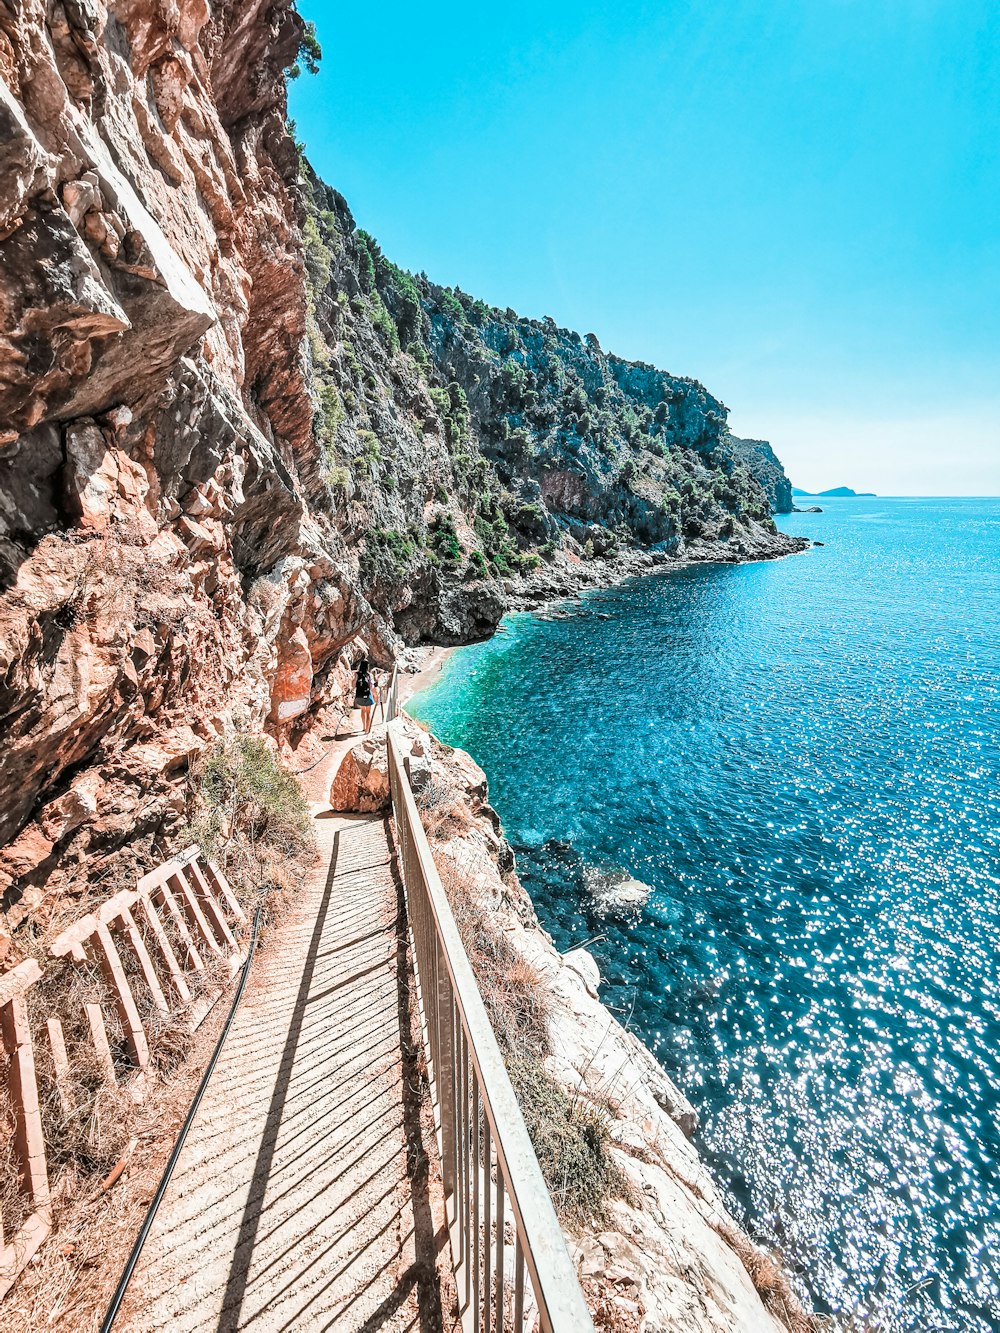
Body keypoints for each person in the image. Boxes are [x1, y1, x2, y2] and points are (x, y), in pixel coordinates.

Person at [354, 658, 375, 734]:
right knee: (368, 713)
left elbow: (353, 685)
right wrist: (375, 695)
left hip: (359, 696)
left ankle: (363, 727)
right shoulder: (369, 675)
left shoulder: (357, 674)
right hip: (367, 695)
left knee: (363, 710)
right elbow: (371, 687)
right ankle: (367, 730)